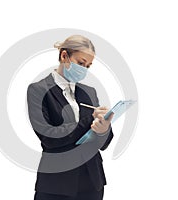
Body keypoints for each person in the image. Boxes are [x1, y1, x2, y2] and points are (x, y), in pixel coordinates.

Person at [27, 35, 114, 200]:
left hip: (91, 181)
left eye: (88, 66)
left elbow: (102, 143)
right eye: (81, 63)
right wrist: (89, 121)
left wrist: (103, 130)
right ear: (64, 56)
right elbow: (49, 137)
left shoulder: (89, 92)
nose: (84, 69)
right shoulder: (38, 90)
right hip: (56, 183)